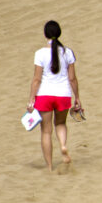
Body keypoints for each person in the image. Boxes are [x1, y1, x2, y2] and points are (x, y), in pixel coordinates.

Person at [26, 19, 82, 171]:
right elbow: (72, 78)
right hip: (63, 95)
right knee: (61, 124)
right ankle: (63, 145)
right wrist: (77, 97)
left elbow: (37, 79)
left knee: (46, 131)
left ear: (45, 35)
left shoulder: (40, 54)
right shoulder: (68, 52)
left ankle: (50, 166)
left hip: (45, 95)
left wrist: (31, 99)